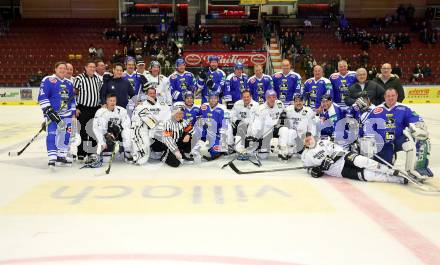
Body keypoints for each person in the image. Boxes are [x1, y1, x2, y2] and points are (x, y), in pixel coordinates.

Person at [364, 87, 431, 179]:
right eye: (388, 96)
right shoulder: (376, 110)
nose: (390, 98)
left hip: (399, 140)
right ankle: (390, 157)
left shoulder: (404, 108)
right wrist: (370, 140)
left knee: (415, 142)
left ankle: (415, 169)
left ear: (397, 96)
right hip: (384, 144)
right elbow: (368, 127)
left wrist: (418, 124)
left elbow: (414, 119)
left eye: (393, 96)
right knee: (384, 169)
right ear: (384, 97)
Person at [301, 133, 407, 184]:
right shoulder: (305, 156)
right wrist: (315, 171)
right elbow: (309, 169)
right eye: (305, 140)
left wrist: (330, 159)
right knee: (368, 176)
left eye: (309, 137)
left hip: (345, 157)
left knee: (363, 161)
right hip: (339, 171)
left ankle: (391, 171)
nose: (308, 140)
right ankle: (397, 179)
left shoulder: (322, 142)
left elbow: (339, 150)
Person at [38, 61, 76, 167]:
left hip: (67, 115)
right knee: (52, 134)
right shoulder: (48, 80)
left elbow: (72, 100)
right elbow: (42, 96)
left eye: (65, 68)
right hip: (53, 114)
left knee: (66, 135)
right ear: (55, 69)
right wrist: (49, 111)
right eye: (60, 68)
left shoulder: (69, 83)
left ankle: (61, 155)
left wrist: (73, 113)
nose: (63, 70)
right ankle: (52, 157)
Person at [130, 86, 171, 165]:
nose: (152, 95)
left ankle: (166, 153)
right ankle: (140, 155)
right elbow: (134, 119)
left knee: (170, 134)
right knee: (136, 136)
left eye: (153, 93)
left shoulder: (163, 104)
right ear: (146, 95)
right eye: (150, 93)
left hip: (160, 129)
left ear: (156, 94)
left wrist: (163, 126)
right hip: (146, 131)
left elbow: (168, 117)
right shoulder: (141, 105)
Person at [73, 61, 103, 160]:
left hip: (95, 109)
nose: (92, 68)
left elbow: (100, 93)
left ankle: (92, 152)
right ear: (85, 67)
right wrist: (76, 107)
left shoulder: (97, 79)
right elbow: (74, 94)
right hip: (83, 108)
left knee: (94, 130)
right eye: (90, 66)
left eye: (94, 67)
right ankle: (81, 152)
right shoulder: (79, 78)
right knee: (83, 131)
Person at [93, 94, 132, 162]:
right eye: (110, 101)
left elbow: (127, 123)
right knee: (106, 160)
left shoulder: (121, 110)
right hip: (108, 135)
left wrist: (120, 127)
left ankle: (127, 152)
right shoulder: (101, 112)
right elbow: (97, 129)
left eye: (114, 101)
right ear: (107, 101)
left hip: (119, 133)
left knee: (128, 132)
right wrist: (102, 143)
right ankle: (108, 151)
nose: (112, 102)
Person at [247, 89, 284, 160]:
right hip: (266, 132)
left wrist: (284, 113)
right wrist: (254, 136)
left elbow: (285, 111)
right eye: (269, 97)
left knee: (284, 130)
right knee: (263, 156)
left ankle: (283, 152)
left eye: (273, 97)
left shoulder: (280, 104)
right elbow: (257, 124)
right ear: (266, 98)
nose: (272, 99)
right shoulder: (261, 109)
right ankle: (259, 147)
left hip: (277, 129)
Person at [278, 93, 316, 160]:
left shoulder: (309, 111)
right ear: (293, 102)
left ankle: (299, 148)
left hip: (302, 137)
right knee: (285, 130)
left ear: (303, 101)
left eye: (300, 101)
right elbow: (278, 111)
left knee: (302, 156)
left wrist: (309, 138)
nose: (298, 103)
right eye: (296, 101)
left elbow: (312, 127)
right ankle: (285, 150)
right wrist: (282, 116)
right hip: (291, 136)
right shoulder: (288, 109)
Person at [192, 92, 228, 161]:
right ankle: (193, 148)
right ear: (208, 99)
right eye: (211, 98)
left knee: (215, 151)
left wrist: (223, 140)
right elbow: (198, 116)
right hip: (205, 131)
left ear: (218, 99)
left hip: (216, 133)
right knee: (195, 129)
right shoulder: (204, 106)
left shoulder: (223, 108)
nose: (213, 100)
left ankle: (220, 147)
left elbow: (225, 125)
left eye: (215, 98)